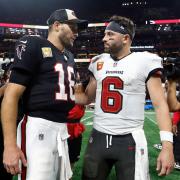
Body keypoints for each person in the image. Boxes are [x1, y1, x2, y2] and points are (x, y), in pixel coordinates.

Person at [75, 15, 174, 180]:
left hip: (130, 140)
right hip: (98, 138)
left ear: (126, 38)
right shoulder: (98, 62)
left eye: (110, 35)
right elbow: (86, 99)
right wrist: (60, 92)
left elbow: (159, 105)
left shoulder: (144, 61)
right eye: (104, 34)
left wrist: (167, 146)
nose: (104, 38)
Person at [1, 9, 88, 180]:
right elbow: (11, 95)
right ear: (56, 25)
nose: (76, 33)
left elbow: (70, 96)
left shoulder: (69, 56)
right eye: (73, 27)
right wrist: (10, 145)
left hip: (62, 129)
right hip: (38, 126)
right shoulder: (34, 44)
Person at [67, 104, 85, 169]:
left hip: (74, 130)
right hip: (61, 127)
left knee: (72, 157)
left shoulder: (79, 95)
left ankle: (69, 175)